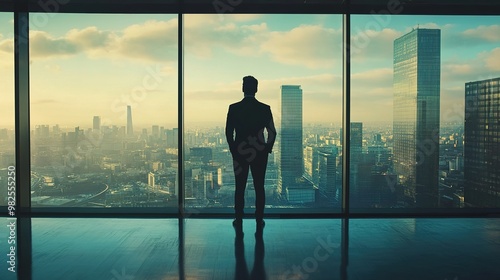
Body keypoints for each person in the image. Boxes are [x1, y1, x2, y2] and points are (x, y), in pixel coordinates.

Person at [225, 76, 276, 228]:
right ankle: (259, 219)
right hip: (259, 153)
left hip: (240, 153)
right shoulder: (264, 108)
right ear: (256, 89)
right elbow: (272, 132)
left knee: (239, 187)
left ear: (243, 88)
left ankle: (238, 219)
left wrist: (234, 150)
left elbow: (228, 132)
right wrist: (267, 148)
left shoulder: (234, 108)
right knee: (259, 187)